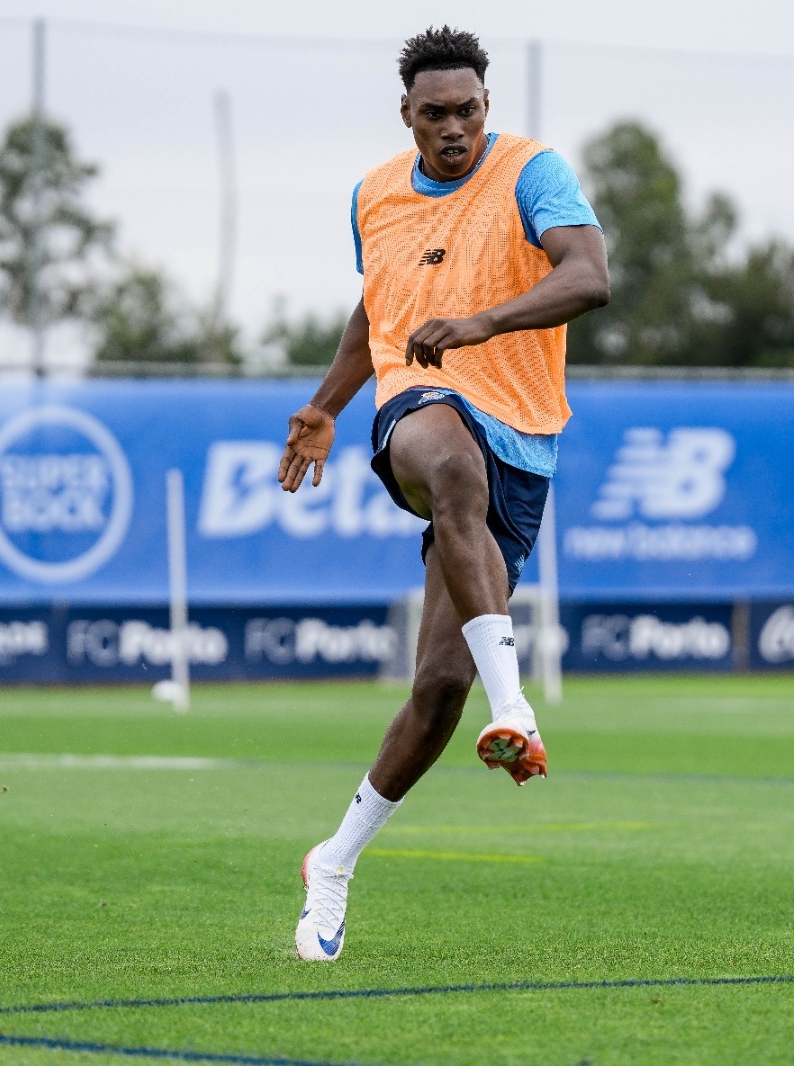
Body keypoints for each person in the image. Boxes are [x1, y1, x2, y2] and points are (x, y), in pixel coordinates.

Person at [276, 25, 609, 961]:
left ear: (486, 109)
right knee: (448, 461)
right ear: (407, 116)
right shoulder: (374, 193)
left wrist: (481, 321)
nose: (453, 128)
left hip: (525, 438)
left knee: (434, 690)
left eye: (467, 110)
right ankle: (521, 711)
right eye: (435, 114)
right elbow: (375, 311)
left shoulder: (532, 171)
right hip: (420, 406)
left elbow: (591, 276)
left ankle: (333, 861)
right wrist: (323, 407)